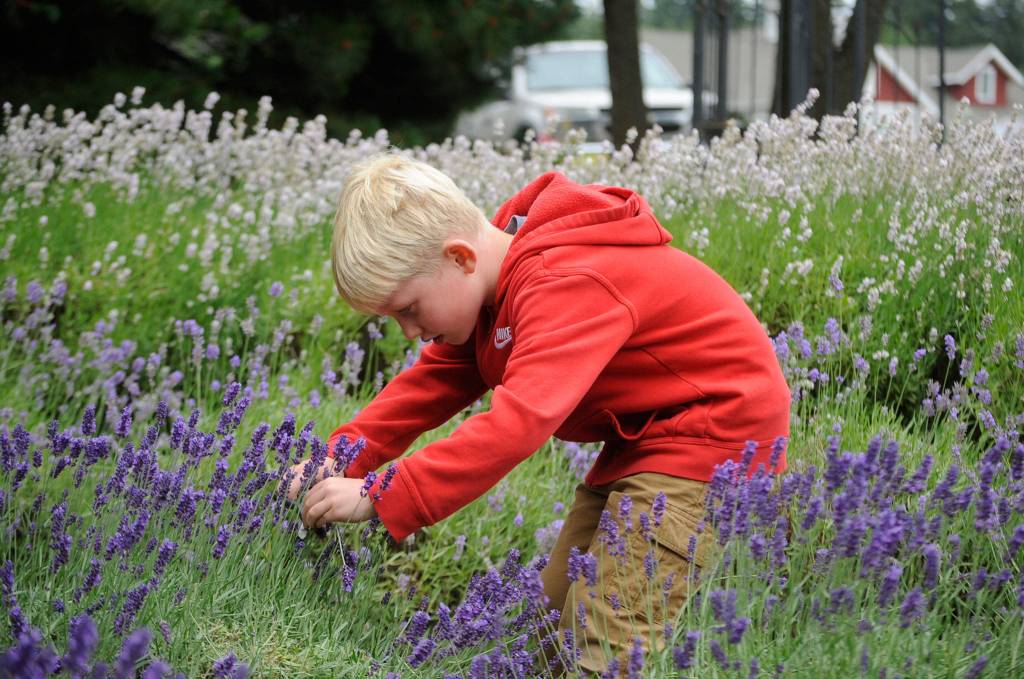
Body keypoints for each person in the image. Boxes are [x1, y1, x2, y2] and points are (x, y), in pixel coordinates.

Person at [288, 152, 790, 673]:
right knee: (551, 627)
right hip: (644, 439)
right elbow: (432, 381)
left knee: (605, 638)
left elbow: (518, 423)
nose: (408, 332)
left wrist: (381, 494)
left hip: (715, 438)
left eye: (408, 309)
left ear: (460, 258)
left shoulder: (562, 279)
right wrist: (338, 460)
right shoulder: (493, 279)